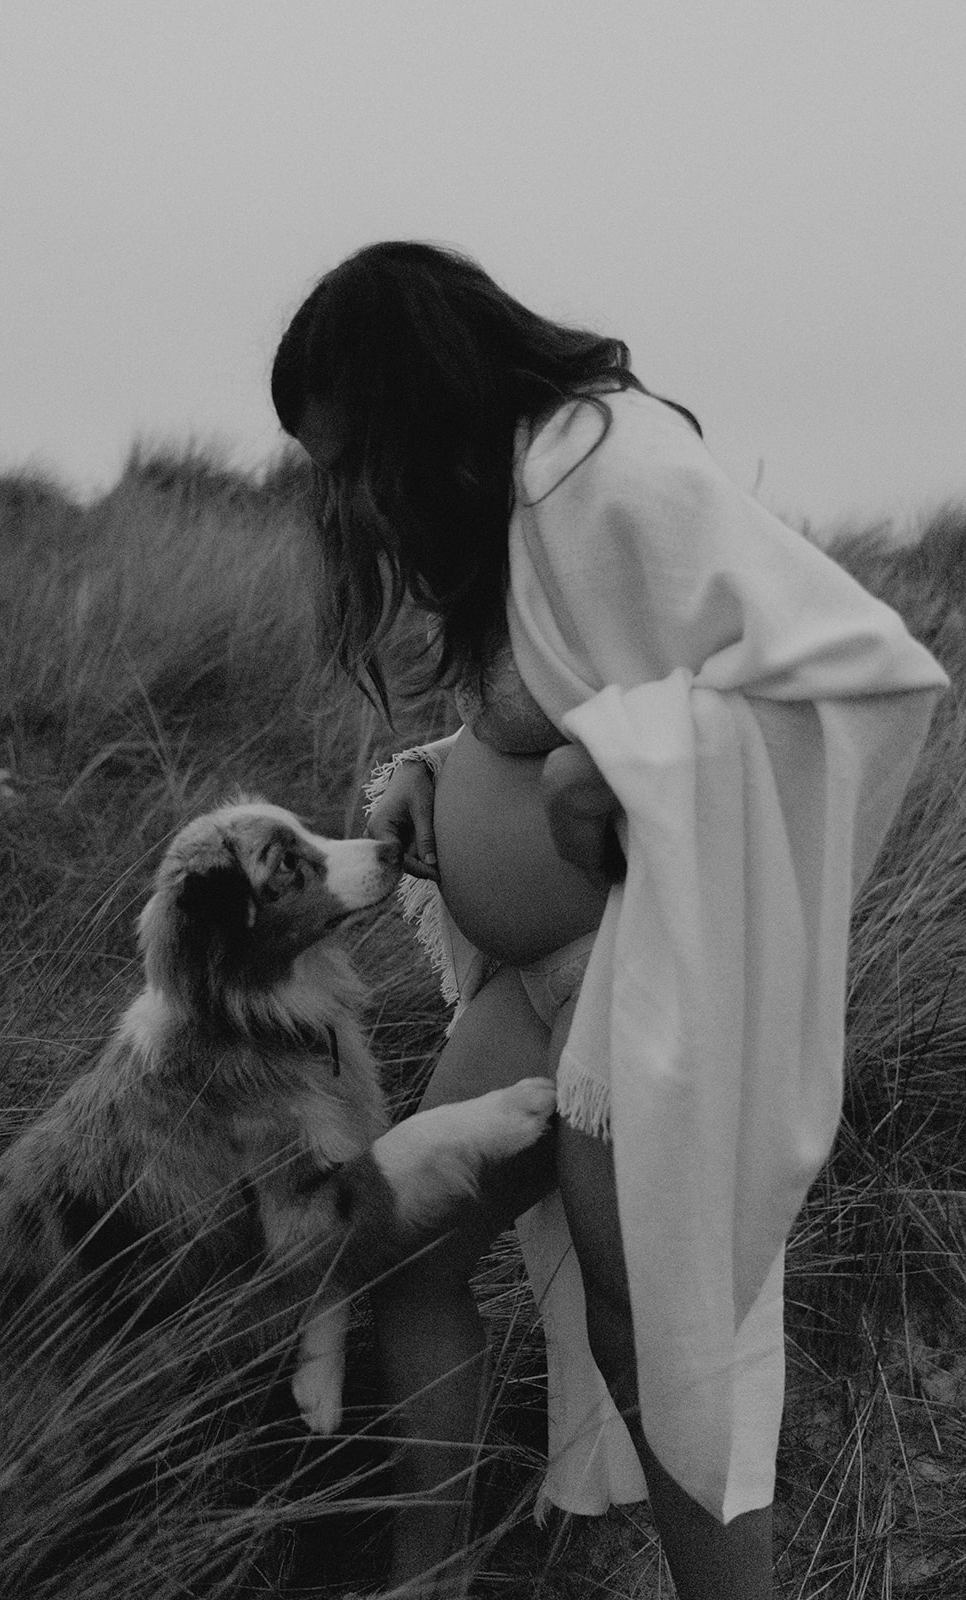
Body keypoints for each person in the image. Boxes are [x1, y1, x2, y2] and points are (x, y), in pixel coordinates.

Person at [270, 240, 947, 1600]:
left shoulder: (608, 470)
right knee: (398, 1246)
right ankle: (427, 1580)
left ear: (416, 398)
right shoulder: (512, 499)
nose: (344, 496)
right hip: (537, 988)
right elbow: (556, 700)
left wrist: (623, 761)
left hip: (640, 987)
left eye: (350, 456)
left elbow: (864, 669)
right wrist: (435, 783)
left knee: (668, 1349)